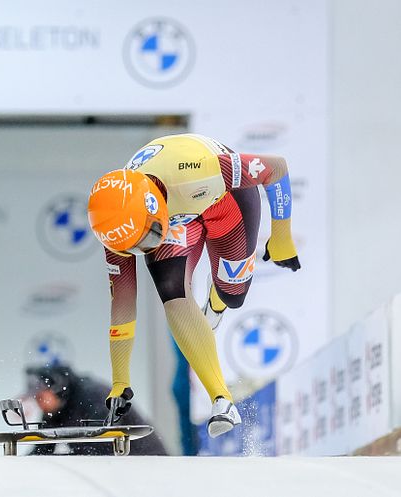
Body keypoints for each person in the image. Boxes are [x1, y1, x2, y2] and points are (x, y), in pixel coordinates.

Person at [87, 133, 301, 438]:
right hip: (177, 221)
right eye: (137, 247)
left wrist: (281, 237)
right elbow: (122, 305)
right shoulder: (116, 227)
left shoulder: (203, 169)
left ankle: (215, 303)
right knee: (171, 291)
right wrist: (120, 380)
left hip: (223, 203)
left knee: (233, 293)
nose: (147, 248)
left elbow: (276, 168)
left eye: (149, 237)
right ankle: (221, 400)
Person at [25, 363, 167, 455]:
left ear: (58, 389)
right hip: (120, 465)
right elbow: (43, 449)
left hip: (147, 462)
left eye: (40, 397)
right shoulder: (57, 407)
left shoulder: (92, 396)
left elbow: (104, 445)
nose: (39, 403)